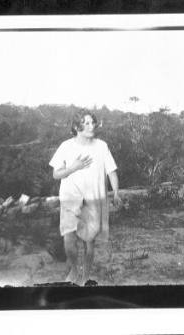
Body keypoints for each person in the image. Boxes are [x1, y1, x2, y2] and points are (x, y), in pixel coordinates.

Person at [49, 110, 121, 285]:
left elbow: (111, 171)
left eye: (92, 122)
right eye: (86, 123)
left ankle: (86, 275)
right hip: (70, 197)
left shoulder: (102, 146)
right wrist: (74, 167)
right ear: (76, 127)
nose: (92, 126)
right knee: (69, 237)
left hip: (93, 198)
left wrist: (117, 193)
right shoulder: (66, 146)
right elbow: (56, 175)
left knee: (89, 241)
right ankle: (74, 270)